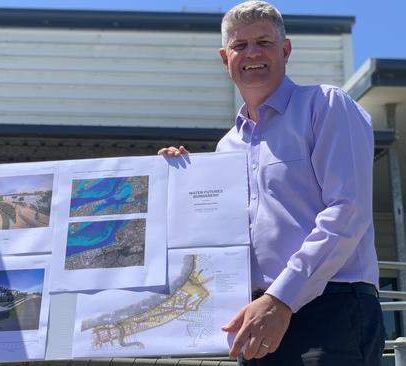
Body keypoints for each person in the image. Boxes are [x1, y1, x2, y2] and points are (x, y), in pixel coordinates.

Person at [159, 1, 384, 365]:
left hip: (331, 310)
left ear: (286, 49)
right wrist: (170, 181)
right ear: (224, 57)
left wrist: (280, 299)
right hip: (256, 317)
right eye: (240, 45)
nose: (252, 54)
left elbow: (348, 212)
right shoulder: (225, 147)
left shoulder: (326, 106)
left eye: (263, 42)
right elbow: (214, 238)